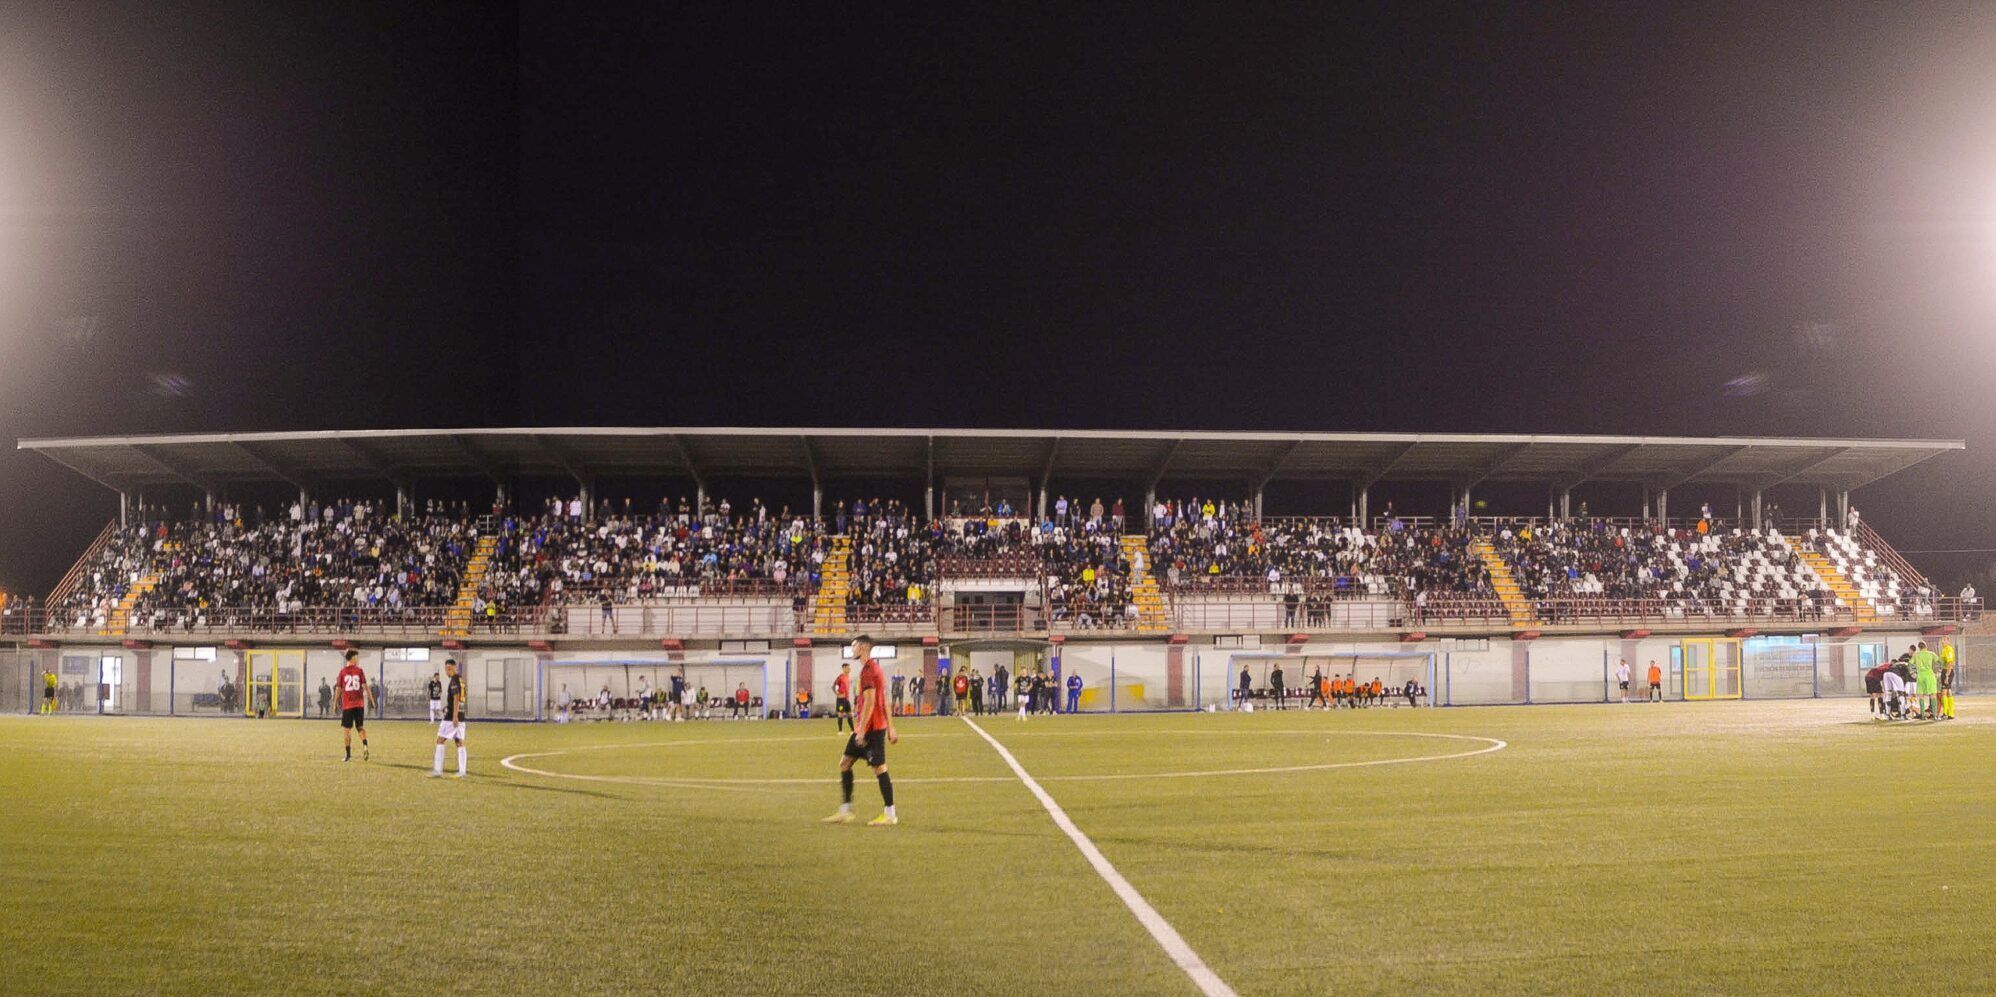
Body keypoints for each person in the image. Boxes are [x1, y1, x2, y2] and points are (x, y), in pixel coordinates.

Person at [823, 635, 899, 827]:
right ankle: (845, 811)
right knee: (845, 763)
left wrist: (862, 731)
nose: (852, 648)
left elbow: (871, 702)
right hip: (866, 728)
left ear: (863, 647)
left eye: (854, 645)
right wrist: (891, 727)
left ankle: (890, 814)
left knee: (880, 768)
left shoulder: (869, 671)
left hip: (871, 730)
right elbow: (885, 700)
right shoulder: (873, 669)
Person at [429, 658, 467, 778]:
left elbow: (456, 697)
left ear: (454, 668)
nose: (447, 671)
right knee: (459, 742)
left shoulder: (454, 680)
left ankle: (438, 770)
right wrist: (448, 707)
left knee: (440, 740)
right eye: (446, 669)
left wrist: (454, 715)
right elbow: (459, 699)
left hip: (452, 717)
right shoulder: (460, 679)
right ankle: (462, 772)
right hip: (461, 715)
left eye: (449, 668)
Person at [335, 650, 373, 762]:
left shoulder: (342, 672)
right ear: (351, 658)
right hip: (359, 704)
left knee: (347, 731)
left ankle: (348, 755)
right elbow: (366, 687)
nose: (357, 659)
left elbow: (338, 689)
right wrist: (371, 700)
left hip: (348, 705)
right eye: (356, 657)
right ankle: (365, 745)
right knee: (360, 727)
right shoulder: (359, 671)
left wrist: (335, 702)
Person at [1909, 641, 1940, 720]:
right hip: (1930, 675)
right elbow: (1940, 662)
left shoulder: (1916, 655)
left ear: (1919, 647)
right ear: (1926, 646)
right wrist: (1938, 672)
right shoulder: (1931, 654)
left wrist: (1913, 674)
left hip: (1920, 676)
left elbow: (1910, 664)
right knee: (1933, 695)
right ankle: (1935, 716)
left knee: (1921, 696)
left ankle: (1923, 716)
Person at [834, 662, 854, 732]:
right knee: (840, 714)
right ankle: (840, 731)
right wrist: (837, 693)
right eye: (848, 668)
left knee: (850, 714)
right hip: (841, 699)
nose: (849, 669)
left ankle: (853, 730)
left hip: (846, 699)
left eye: (849, 668)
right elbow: (835, 686)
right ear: (844, 668)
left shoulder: (848, 677)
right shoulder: (840, 677)